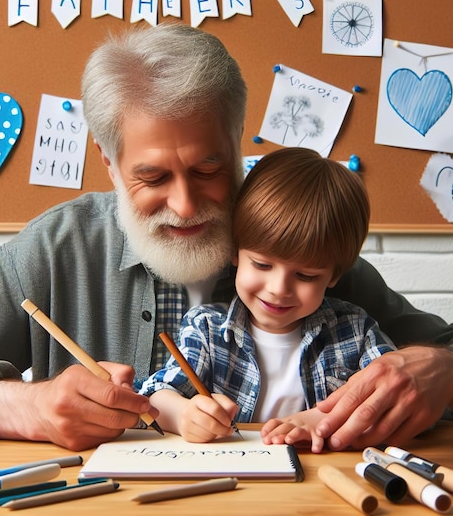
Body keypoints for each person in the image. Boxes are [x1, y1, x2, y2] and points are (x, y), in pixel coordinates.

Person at [0, 23, 453, 452]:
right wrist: (12, 405)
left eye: (208, 169)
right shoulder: (55, 248)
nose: (186, 204)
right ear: (108, 162)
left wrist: (450, 372)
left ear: (237, 140)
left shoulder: (293, 241)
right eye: (150, 177)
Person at [139, 147, 396, 452]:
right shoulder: (207, 328)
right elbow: (155, 395)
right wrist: (183, 415)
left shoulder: (355, 331)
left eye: (305, 276)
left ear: (335, 275)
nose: (278, 288)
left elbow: (392, 397)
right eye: (261, 265)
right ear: (235, 252)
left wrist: (323, 419)